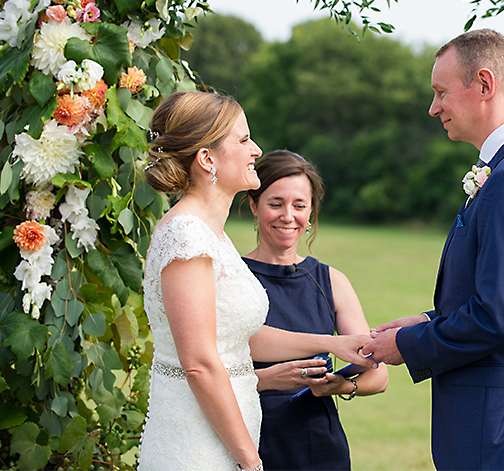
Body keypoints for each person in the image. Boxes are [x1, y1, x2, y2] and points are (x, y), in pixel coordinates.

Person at [362, 29, 504, 471]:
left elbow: (496, 318)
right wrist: (431, 319)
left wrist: (408, 344)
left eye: (441, 92)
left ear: (484, 85)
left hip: (498, 427)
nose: (433, 108)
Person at [137, 92, 374, 471]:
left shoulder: (212, 235)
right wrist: (249, 460)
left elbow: (236, 333)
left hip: (225, 436)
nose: (256, 150)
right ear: (207, 159)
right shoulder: (187, 236)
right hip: (200, 445)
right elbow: (199, 362)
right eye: (244, 139)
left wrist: (335, 343)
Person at [242, 150, 389, 470]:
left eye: (299, 205)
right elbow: (203, 373)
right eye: (275, 203)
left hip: (319, 449)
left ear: (311, 212)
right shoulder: (232, 277)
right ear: (254, 205)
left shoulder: (332, 281)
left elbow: (378, 374)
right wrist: (264, 379)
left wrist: (342, 385)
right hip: (247, 445)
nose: (288, 216)